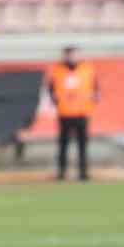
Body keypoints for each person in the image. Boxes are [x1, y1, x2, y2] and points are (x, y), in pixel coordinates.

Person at [45, 45, 100, 182]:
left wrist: (91, 100)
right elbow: (51, 90)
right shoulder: (57, 70)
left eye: (74, 54)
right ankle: (62, 173)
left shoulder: (88, 69)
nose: (72, 57)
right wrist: (57, 101)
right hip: (64, 113)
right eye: (69, 54)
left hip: (82, 112)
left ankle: (83, 173)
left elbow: (96, 90)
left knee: (83, 145)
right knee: (63, 145)